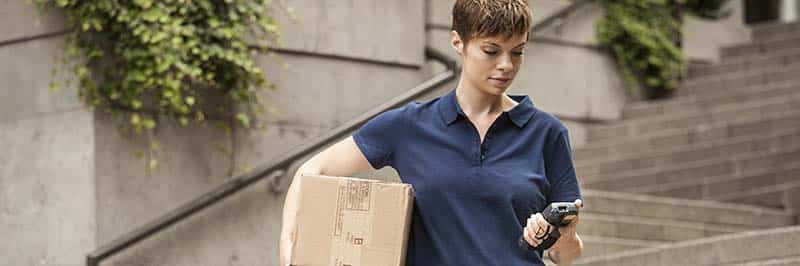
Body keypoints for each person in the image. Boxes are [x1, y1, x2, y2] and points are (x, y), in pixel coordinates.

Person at [280, 0, 584, 265]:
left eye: (517, 52)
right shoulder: (408, 126)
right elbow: (311, 171)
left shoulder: (547, 133)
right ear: (457, 42)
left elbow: (566, 256)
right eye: (491, 50)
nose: (506, 65)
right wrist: (290, 254)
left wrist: (564, 236)